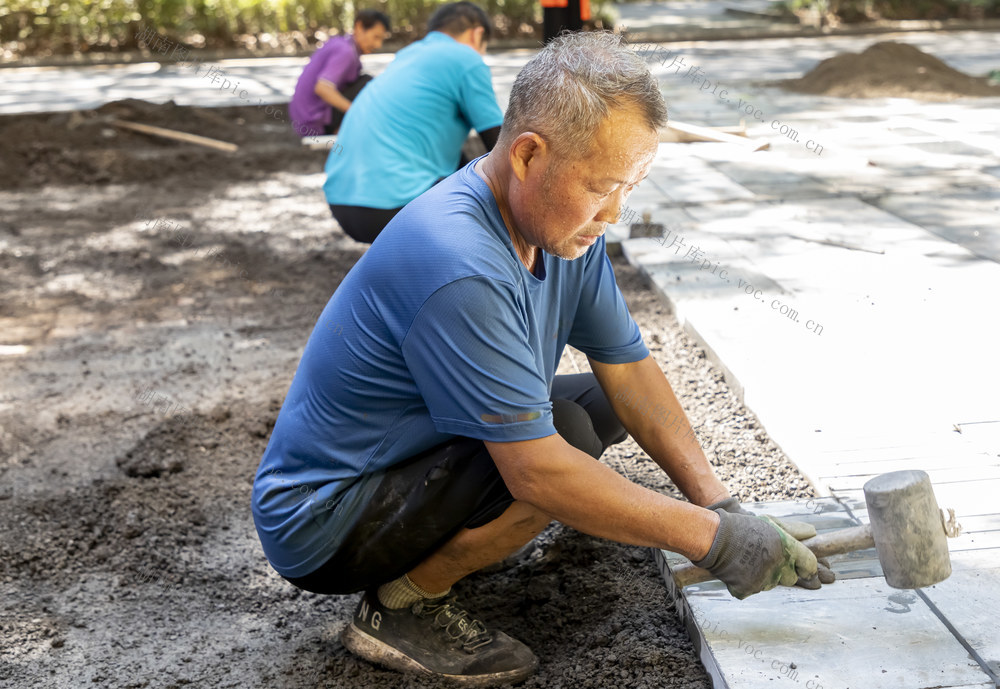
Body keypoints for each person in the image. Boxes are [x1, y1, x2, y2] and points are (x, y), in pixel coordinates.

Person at [251, 32, 831, 687]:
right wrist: (709, 541)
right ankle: (403, 603)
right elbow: (537, 472)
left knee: (600, 405)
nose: (612, 214)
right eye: (601, 187)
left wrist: (721, 506)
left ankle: (460, 540)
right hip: (325, 516)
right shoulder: (459, 261)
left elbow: (631, 370)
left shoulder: (564, 236)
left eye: (629, 188)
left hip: (410, 453)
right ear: (528, 154)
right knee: (565, 443)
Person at [322, 2, 503, 244]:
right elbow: (501, 146)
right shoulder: (466, 58)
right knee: (494, 219)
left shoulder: (409, 55)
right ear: (476, 33)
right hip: (394, 206)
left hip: (342, 200)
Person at [288, 9, 391, 138]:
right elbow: (323, 88)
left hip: (305, 119)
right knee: (367, 83)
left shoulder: (343, 45)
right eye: (376, 37)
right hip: (313, 121)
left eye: (381, 39)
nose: (378, 44)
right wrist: (357, 112)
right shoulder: (345, 51)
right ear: (359, 27)